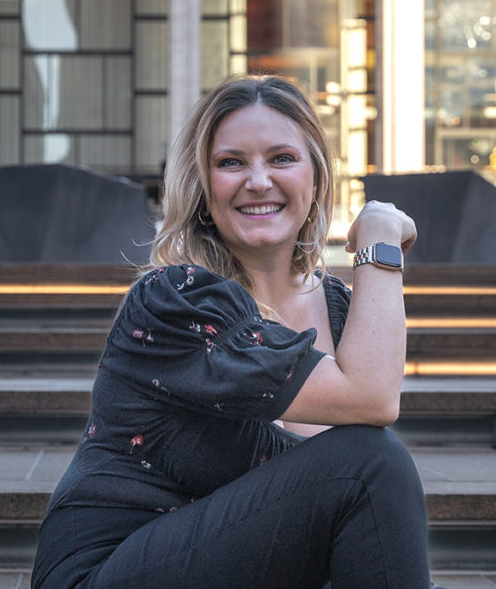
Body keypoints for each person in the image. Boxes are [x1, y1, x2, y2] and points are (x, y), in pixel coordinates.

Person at [32, 75, 431, 589]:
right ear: (203, 189)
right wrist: (379, 237)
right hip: (108, 572)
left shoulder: (339, 311)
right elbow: (374, 400)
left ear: (315, 179)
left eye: (282, 158)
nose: (259, 180)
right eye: (231, 162)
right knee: (372, 462)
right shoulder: (175, 300)